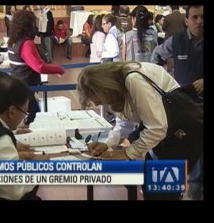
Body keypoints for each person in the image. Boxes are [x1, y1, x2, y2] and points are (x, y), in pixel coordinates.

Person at [77, 61, 182, 200]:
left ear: (104, 88)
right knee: (153, 189)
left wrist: (127, 153)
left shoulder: (133, 80)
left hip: (178, 133)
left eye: (96, 99)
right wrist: (108, 143)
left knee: (161, 192)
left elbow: (157, 128)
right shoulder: (119, 89)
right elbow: (124, 123)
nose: (96, 104)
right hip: (165, 133)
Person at [151, 5, 204, 199]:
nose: (199, 21)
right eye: (195, 17)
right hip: (181, 107)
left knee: (200, 158)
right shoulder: (177, 41)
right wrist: (162, 82)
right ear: (187, 20)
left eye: (203, 17)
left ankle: (194, 193)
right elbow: (156, 57)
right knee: (173, 151)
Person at [8, 10, 65, 124]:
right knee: (32, 115)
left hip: (17, 84)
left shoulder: (13, 42)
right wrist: (58, 69)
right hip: (25, 86)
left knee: (31, 113)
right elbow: (39, 67)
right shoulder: (26, 44)